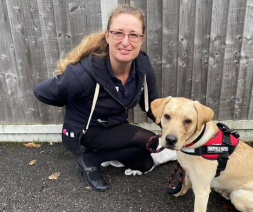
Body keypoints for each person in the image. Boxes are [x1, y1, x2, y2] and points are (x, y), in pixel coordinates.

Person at [33, 4, 176, 191]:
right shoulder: (82, 74)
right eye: (118, 33)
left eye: (133, 35)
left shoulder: (142, 65)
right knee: (151, 141)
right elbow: (41, 92)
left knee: (144, 163)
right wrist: (73, 103)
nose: (126, 41)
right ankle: (90, 159)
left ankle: (101, 154)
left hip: (114, 124)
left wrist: (174, 130)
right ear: (108, 35)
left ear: (142, 39)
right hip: (87, 129)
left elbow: (151, 106)